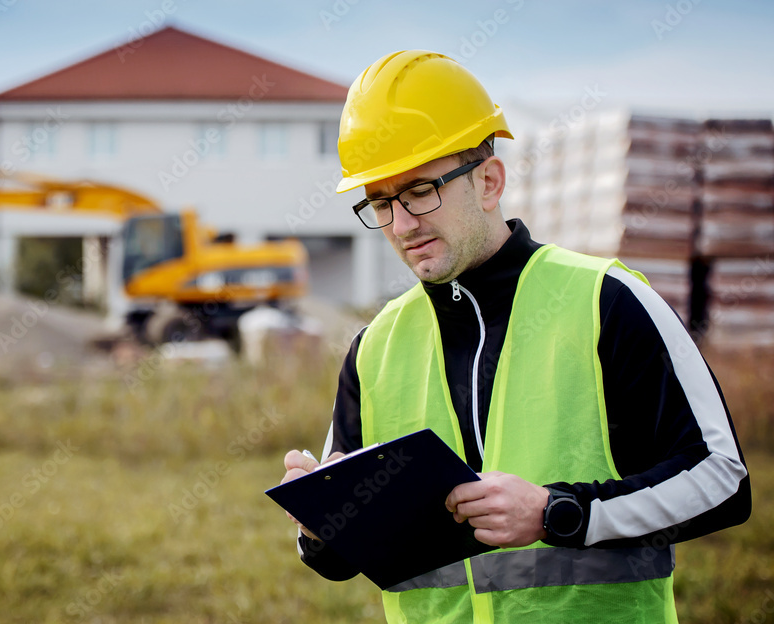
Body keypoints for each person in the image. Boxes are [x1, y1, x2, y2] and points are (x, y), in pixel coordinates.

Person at [279, 50, 751, 623]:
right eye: (380, 202)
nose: (402, 225)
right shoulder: (374, 348)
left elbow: (721, 478)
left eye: (420, 191)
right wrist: (319, 527)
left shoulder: (606, 300)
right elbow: (338, 561)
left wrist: (559, 512)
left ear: (488, 181)